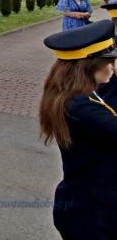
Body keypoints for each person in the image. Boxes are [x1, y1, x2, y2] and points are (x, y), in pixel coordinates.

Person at [39, 19, 117, 240]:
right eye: (109, 61)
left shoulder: (73, 94)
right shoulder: (81, 108)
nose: (112, 67)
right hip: (93, 215)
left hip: (83, 203)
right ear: (90, 66)